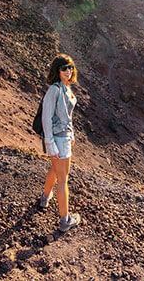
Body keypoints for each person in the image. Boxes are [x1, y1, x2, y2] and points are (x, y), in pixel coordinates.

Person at [37, 54, 82, 232]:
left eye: (70, 67)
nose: (68, 71)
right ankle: (65, 220)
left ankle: (44, 198)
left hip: (64, 137)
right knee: (63, 179)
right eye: (64, 68)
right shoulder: (54, 90)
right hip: (57, 138)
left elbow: (67, 116)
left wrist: (71, 135)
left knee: (55, 171)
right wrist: (50, 143)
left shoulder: (66, 88)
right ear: (57, 71)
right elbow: (46, 117)